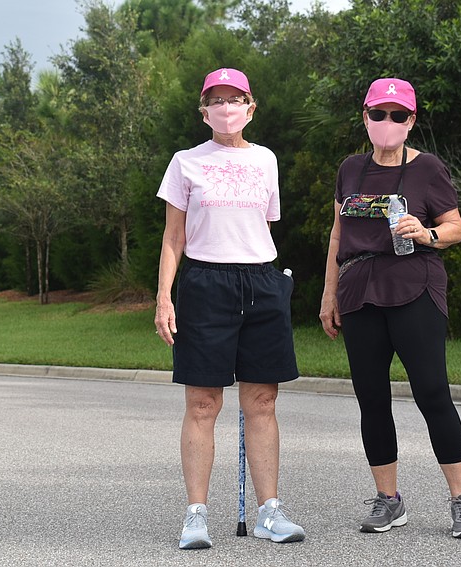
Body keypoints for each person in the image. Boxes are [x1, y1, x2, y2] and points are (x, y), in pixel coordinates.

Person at [319, 77, 461, 539]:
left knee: (432, 392)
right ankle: (389, 500)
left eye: (397, 115)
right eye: (378, 113)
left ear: (411, 121)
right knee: (371, 399)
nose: (386, 122)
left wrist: (427, 232)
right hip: (359, 291)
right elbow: (337, 235)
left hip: (415, 285)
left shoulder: (428, 168)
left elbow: (455, 226)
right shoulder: (349, 169)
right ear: (365, 117)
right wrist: (329, 295)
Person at [154, 67, 306, 550]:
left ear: (250, 107)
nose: (225, 108)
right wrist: (163, 296)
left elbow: (262, 225)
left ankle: (269, 512)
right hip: (205, 283)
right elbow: (173, 237)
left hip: (261, 280)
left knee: (262, 402)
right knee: (203, 404)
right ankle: (195, 516)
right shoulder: (184, 162)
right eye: (216, 101)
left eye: (234, 98)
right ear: (204, 112)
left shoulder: (266, 160)